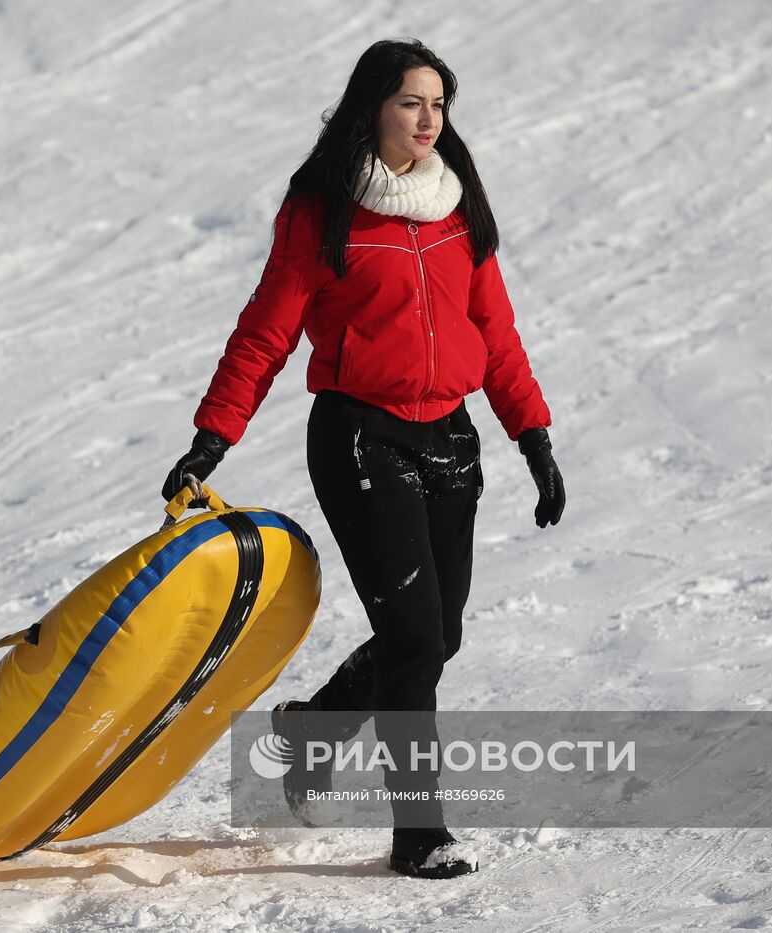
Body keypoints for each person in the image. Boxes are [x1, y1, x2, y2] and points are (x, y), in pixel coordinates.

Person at [161, 38, 565, 879]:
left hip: (450, 437)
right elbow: (267, 331)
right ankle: (420, 832)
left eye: (440, 104)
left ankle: (311, 733)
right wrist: (214, 435)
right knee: (415, 635)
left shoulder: (458, 205)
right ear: (373, 107)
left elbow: (493, 330)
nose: (429, 120)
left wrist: (532, 433)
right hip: (361, 436)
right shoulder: (323, 209)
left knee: (434, 635)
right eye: (411, 103)